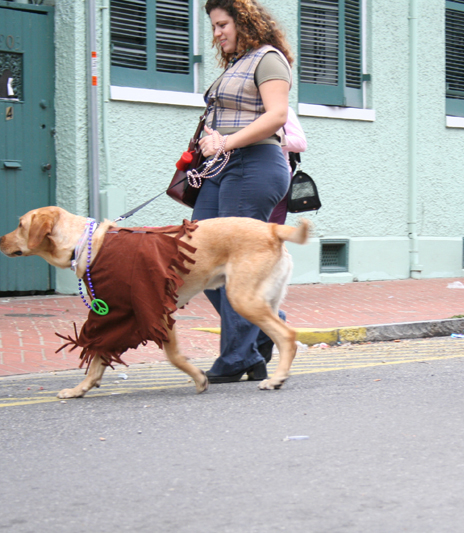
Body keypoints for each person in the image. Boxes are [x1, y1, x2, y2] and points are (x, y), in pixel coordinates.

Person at [193, 0, 293, 383]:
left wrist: (227, 142)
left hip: (254, 167)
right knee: (195, 259)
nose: (217, 34)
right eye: (215, 27)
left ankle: (237, 358)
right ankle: (267, 324)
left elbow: (276, 116)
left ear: (244, 22)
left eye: (222, 25)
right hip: (222, 168)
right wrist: (211, 142)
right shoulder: (236, 63)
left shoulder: (269, 59)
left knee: (236, 266)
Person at [268, 106, 307, 224]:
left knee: (271, 232)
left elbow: (300, 143)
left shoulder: (283, 110)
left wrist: (268, 138)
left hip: (275, 176)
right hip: (236, 174)